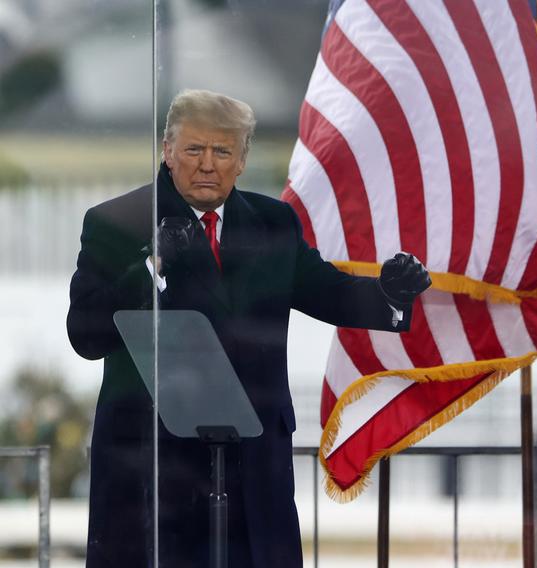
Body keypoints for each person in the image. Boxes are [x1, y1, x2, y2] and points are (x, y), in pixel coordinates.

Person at [67, 89, 430, 567]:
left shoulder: (274, 223)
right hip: (155, 472)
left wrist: (388, 294)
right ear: (167, 150)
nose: (207, 165)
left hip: (252, 465)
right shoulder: (119, 223)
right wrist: (153, 267)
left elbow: (327, 291)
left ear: (242, 160)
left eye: (222, 151)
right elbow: (86, 334)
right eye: (194, 150)